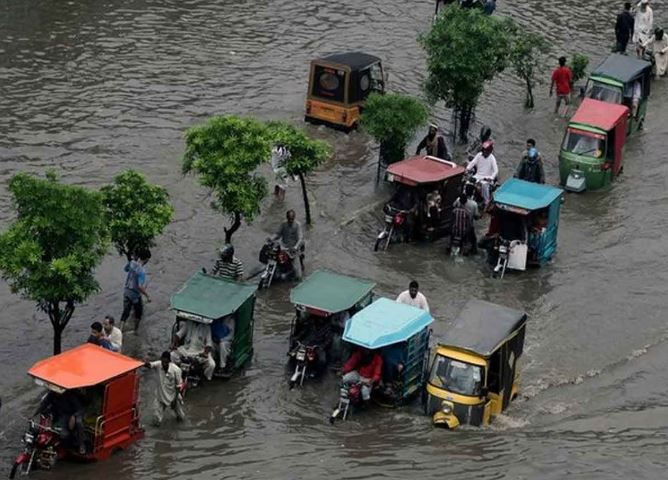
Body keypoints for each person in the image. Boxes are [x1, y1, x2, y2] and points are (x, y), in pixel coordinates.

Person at [36, 390, 86, 454]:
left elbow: (80, 409)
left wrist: (74, 416)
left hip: (71, 414)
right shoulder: (51, 395)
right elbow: (44, 404)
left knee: (79, 423)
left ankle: (81, 444)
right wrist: (35, 414)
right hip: (59, 414)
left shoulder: (71, 396)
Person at [144, 352, 185, 426]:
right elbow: (150, 365)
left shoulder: (176, 370)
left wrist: (175, 400)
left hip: (173, 396)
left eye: (166, 362)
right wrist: (141, 363)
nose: (164, 364)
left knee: (181, 417)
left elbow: (179, 386)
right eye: (163, 362)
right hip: (161, 396)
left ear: (169, 361)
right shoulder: (159, 364)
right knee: (156, 420)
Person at [119, 249, 151, 332]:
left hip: (126, 292)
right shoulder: (142, 272)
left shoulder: (132, 263)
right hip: (135, 295)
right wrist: (147, 296)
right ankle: (135, 331)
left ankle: (120, 330)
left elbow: (125, 269)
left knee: (125, 312)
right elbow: (140, 286)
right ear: (147, 259)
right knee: (139, 314)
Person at [271, 209, 304, 281]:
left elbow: (300, 238)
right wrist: (271, 238)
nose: (290, 221)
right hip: (284, 247)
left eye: (292, 219)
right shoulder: (283, 224)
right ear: (287, 218)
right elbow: (278, 234)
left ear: (294, 218)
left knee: (298, 275)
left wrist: (296, 247)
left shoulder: (297, 225)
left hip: (293, 250)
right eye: (289, 219)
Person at [466, 140, 498, 206]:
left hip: (486, 178)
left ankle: (486, 200)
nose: (484, 152)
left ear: (489, 151)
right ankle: (467, 196)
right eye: (483, 150)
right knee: (468, 183)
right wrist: (467, 169)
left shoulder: (492, 158)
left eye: (486, 151)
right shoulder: (479, 155)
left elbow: (496, 170)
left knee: (484, 186)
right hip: (477, 176)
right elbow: (473, 163)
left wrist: (491, 177)